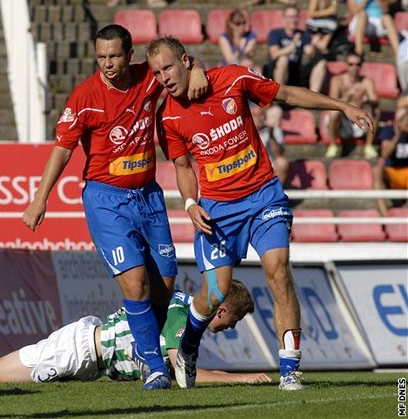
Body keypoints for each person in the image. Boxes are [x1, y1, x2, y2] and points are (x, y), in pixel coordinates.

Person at [145, 36, 375, 391]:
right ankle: (189, 346)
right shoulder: (169, 116)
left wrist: (341, 105)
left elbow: (286, 95)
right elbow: (182, 166)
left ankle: (290, 369)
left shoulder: (234, 79)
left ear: (186, 60)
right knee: (217, 293)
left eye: (168, 68)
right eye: (157, 73)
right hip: (218, 210)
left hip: (263, 195)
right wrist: (190, 204)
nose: (163, 77)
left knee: (278, 271)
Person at [22, 24, 208, 390]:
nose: (107, 64)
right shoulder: (85, 97)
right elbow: (63, 149)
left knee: (164, 283)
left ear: (130, 56)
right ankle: (152, 363)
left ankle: (144, 349)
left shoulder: (147, 79)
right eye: (101, 57)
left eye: (114, 56)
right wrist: (40, 199)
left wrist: (198, 66)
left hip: (149, 196)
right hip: (106, 199)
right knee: (135, 281)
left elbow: (178, 66)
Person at [0, 281, 271, 385]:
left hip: (89, 357)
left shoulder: (180, 313)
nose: (228, 329)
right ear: (221, 310)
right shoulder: (181, 314)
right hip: (78, 351)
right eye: (231, 322)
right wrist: (241, 379)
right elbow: (182, 373)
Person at [324, 52, 380, 159]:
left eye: (357, 64)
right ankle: (333, 145)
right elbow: (331, 102)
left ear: (361, 65)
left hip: (359, 118)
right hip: (341, 119)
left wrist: (365, 99)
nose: (354, 67)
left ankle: (368, 146)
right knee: (333, 112)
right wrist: (348, 97)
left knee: (375, 111)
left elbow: (375, 100)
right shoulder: (337, 80)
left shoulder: (367, 81)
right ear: (346, 64)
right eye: (351, 64)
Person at [266, 6, 328, 94]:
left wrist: (314, 45)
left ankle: (313, 98)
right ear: (284, 19)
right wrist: (292, 46)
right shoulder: (276, 33)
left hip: (296, 70)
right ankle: (279, 96)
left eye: (295, 17)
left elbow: (308, 52)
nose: (293, 20)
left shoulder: (303, 34)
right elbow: (274, 53)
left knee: (321, 62)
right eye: (290, 17)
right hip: (277, 71)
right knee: (283, 59)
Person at [374, 106, 408, 215]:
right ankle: (385, 216)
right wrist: (397, 136)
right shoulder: (388, 132)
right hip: (392, 172)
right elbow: (385, 155)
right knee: (376, 171)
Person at [251, 104, 289, 185]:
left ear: (265, 117)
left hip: (271, 165)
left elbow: (279, 154)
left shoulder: (274, 130)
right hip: (251, 165)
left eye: (261, 114)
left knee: (282, 162)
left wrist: (271, 137)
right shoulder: (245, 131)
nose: (258, 118)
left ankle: (277, 192)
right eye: (255, 115)